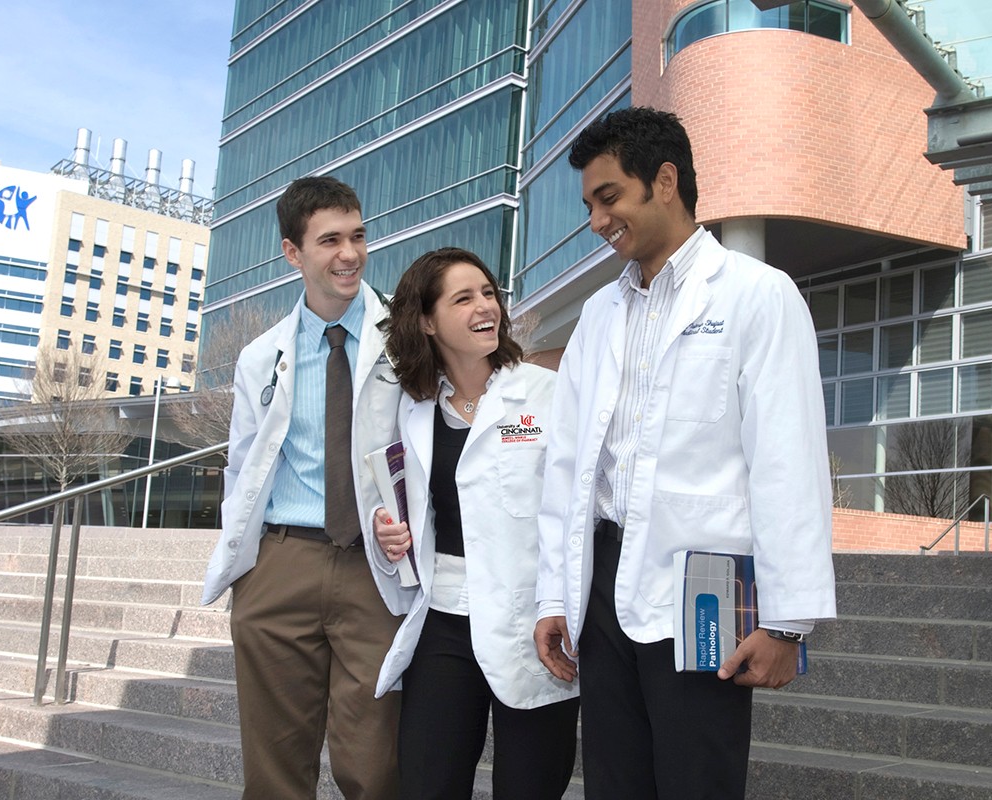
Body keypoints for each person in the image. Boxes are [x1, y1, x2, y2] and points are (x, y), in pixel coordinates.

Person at [533, 107, 837, 799]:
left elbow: (787, 461)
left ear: (665, 181)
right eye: (588, 206)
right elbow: (568, 468)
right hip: (603, 587)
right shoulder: (598, 316)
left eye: (608, 197)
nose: (596, 221)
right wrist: (554, 595)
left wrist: (786, 622)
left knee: (698, 782)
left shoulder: (758, 295)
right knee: (613, 784)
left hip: (703, 593)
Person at [201, 176, 403, 800]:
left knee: (375, 766)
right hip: (281, 563)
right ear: (293, 253)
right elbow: (242, 467)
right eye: (330, 240)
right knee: (274, 771)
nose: (350, 254)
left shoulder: (407, 338)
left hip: (375, 567)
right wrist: (248, 572)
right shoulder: (260, 356)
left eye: (358, 236)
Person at [366, 247, 580, 799]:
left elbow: (577, 510)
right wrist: (386, 530)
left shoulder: (547, 395)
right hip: (444, 618)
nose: (485, 306)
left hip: (533, 619)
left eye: (488, 293)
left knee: (530, 787)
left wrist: (562, 602)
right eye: (463, 298)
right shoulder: (411, 409)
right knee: (428, 783)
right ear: (426, 321)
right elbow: (396, 500)